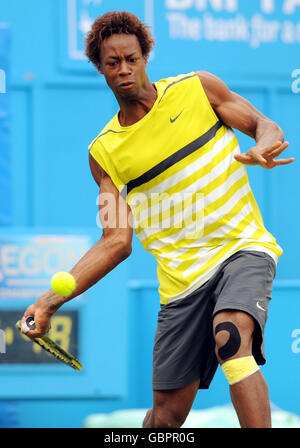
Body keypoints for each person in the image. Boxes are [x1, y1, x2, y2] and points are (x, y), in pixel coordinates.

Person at [21, 11, 294, 428]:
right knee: (165, 417)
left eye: (131, 58)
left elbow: (262, 123)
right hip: (182, 281)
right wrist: (48, 300)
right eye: (113, 63)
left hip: (242, 248)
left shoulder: (197, 90)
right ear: (101, 68)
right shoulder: (105, 153)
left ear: (145, 55)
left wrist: (265, 144)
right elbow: (116, 240)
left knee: (231, 335)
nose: (124, 69)